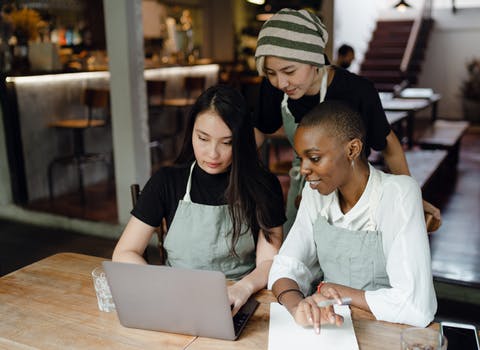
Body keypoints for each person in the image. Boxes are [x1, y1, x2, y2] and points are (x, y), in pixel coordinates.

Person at [253, 8, 440, 234]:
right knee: (298, 256)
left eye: (289, 71)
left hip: (353, 191)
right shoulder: (275, 89)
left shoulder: (357, 91)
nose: (281, 82)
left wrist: (412, 197)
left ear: (314, 60)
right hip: (304, 186)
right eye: (271, 73)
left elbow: (388, 145)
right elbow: (260, 131)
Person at [113, 85, 285, 315]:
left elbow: (269, 262)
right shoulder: (167, 181)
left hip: (238, 299)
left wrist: (243, 288)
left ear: (242, 141)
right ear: (191, 132)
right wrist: (160, 285)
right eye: (203, 138)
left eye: (227, 142)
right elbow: (124, 253)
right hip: (174, 297)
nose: (212, 154)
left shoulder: (263, 186)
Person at [269, 101, 437, 332]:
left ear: (352, 150)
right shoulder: (314, 192)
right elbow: (286, 266)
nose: (304, 169)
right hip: (330, 328)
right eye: (301, 158)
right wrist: (298, 308)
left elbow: (416, 306)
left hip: (387, 331)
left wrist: (338, 292)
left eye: (315, 158)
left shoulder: (398, 193)